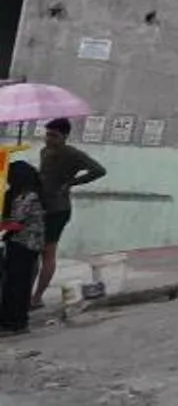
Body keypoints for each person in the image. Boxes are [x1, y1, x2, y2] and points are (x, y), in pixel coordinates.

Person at [33, 120, 104, 302]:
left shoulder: (72, 154)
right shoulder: (45, 152)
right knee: (32, 251)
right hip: (39, 207)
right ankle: (27, 293)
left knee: (48, 252)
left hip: (58, 209)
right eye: (47, 134)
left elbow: (98, 170)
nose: (49, 139)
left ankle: (37, 297)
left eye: (54, 136)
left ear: (65, 136)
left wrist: (72, 183)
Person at [0, 160, 43, 332]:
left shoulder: (28, 196)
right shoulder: (19, 194)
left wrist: (3, 225)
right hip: (17, 242)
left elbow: (16, 223)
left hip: (25, 244)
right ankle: (10, 320)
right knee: (12, 283)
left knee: (18, 284)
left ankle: (16, 322)